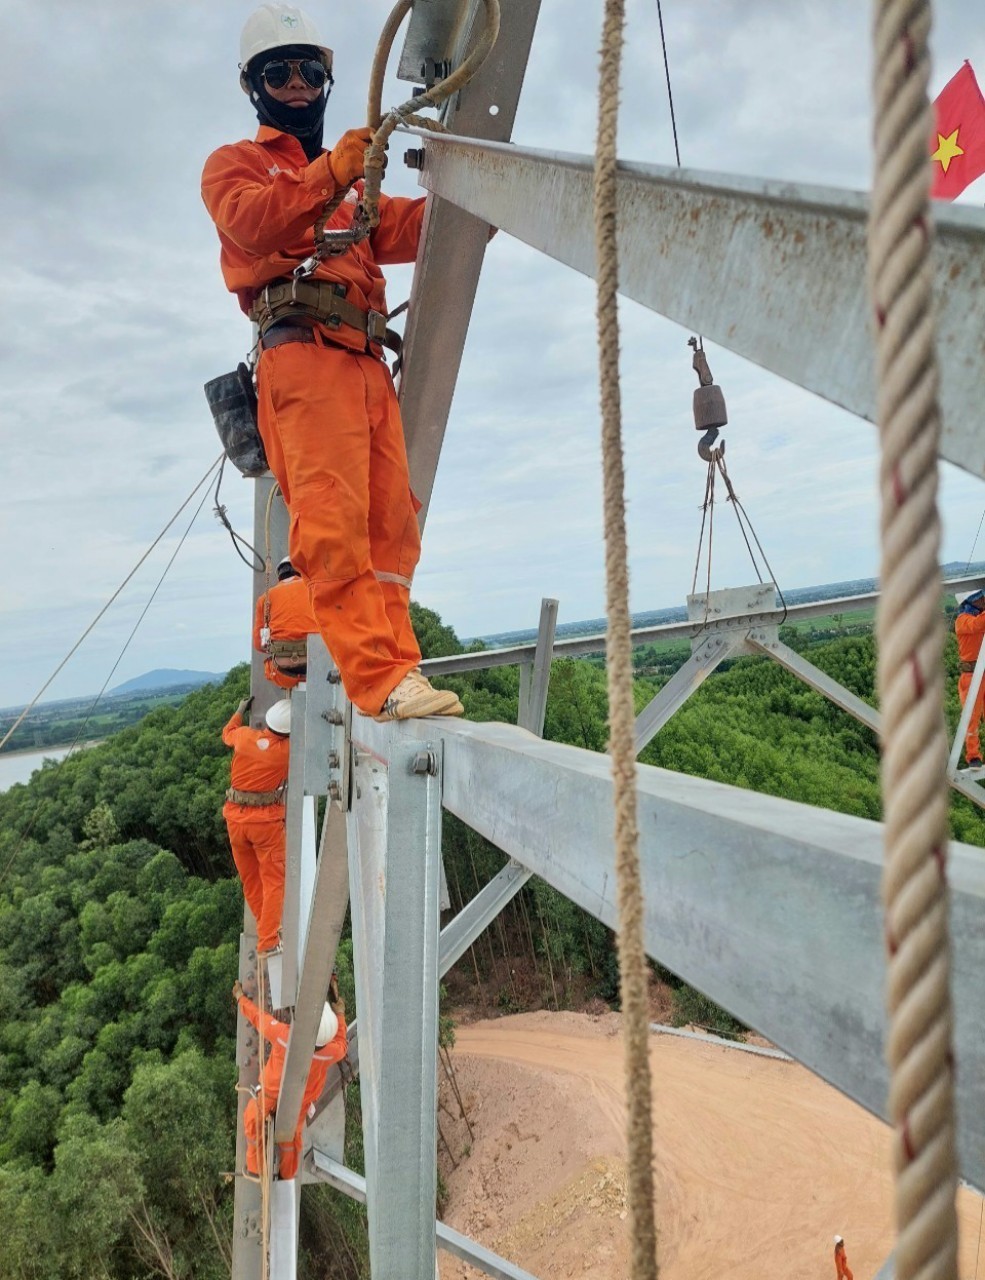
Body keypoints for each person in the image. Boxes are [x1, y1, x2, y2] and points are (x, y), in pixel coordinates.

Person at [202, 3, 463, 724]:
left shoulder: (352, 191)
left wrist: (478, 193)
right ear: (252, 84)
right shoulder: (237, 166)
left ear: (325, 82)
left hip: (364, 360)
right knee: (332, 520)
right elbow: (254, 222)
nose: (295, 83)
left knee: (390, 525)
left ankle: (399, 665)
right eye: (277, 71)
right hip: (303, 357)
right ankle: (376, 678)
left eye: (308, 71)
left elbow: (416, 229)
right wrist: (334, 171)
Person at [233, 973, 347, 1179]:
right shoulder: (329, 1052)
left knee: (252, 1120)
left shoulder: (284, 1036)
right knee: (291, 1138)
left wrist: (241, 998)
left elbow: (259, 1018)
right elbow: (342, 1044)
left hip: (271, 1094)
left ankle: (255, 1169)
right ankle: (286, 1175)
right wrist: (340, 1014)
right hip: (300, 1101)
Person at [222, 695, 291, 954]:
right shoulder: (286, 751)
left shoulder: (244, 737)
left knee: (251, 880)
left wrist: (239, 711)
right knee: (273, 880)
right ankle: (268, 940)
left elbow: (227, 733)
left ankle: (266, 929)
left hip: (235, 820)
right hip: (265, 824)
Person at [253, 557, 319, 690]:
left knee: (270, 668)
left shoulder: (265, 599)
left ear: (279, 577)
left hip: (283, 669)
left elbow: (259, 644)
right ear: (301, 572)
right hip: (316, 661)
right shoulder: (314, 589)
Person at [955, 588, 985, 767]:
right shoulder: (962, 620)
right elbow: (977, 625)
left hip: (982, 672)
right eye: (980, 598)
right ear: (970, 601)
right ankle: (973, 755)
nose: (983, 600)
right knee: (971, 716)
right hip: (971, 676)